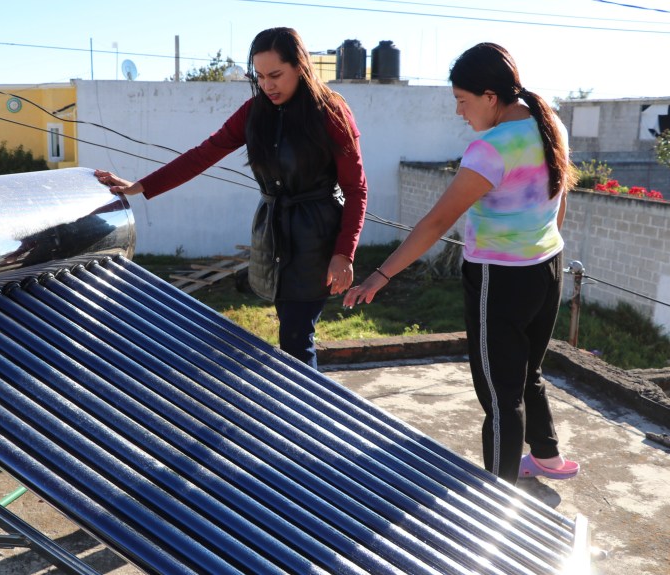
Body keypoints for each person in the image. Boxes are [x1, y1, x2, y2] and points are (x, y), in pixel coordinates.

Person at [343, 42, 579, 485]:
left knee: (499, 395)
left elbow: (436, 223)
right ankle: (547, 457)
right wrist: (540, 244)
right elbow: (558, 196)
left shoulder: (490, 148)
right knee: (528, 370)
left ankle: (498, 497)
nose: (459, 112)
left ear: (490, 96)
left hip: (498, 280)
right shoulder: (550, 123)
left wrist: (380, 274)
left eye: (462, 101)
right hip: (548, 267)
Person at [96, 27, 368, 370]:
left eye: (275, 75)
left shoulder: (331, 113)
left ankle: (311, 404)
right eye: (260, 77)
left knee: (297, 337)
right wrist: (141, 186)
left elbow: (357, 188)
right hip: (272, 234)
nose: (267, 85)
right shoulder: (254, 112)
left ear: (300, 67)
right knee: (291, 332)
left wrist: (344, 253)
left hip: (317, 238)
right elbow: (203, 154)